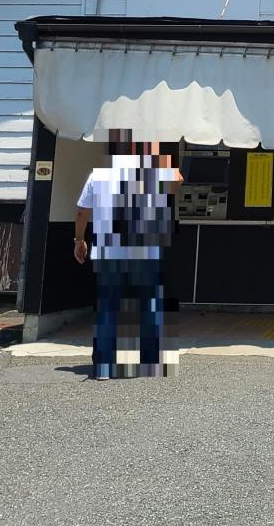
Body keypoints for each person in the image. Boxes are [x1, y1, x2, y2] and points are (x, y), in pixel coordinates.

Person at [72, 132, 183, 380]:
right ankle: (151, 363)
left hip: (109, 251)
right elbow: (177, 182)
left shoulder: (97, 177)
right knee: (149, 306)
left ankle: (103, 366)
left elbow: (82, 213)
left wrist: (79, 240)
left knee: (108, 308)